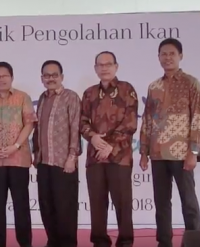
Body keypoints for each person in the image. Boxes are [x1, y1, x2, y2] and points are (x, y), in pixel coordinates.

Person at [140, 38, 200, 247]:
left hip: (181, 153)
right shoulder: (154, 86)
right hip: (158, 153)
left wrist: (193, 151)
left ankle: (194, 240)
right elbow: (147, 121)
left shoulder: (191, 83)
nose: (167, 58)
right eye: (163, 54)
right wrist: (143, 152)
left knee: (188, 201)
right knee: (161, 202)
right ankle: (164, 242)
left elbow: (198, 118)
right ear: (158, 57)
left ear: (180, 56)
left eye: (172, 54)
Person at [80, 51, 138, 247]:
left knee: (123, 203)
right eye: (100, 65)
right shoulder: (89, 93)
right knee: (97, 203)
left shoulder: (126, 89)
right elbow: (82, 121)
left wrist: (110, 144)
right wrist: (93, 137)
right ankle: (100, 241)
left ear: (116, 67)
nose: (104, 68)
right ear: (95, 68)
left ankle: (126, 241)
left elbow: (130, 123)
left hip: (119, 157)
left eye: (108, 64)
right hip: (95, 156)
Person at [0, 62, 36, 247]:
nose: (1, 79)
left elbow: (29, 123)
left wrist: (16, 145)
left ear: (11, 77)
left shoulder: (22, 97)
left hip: (18, 158)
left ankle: (25, 242)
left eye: (5, 76)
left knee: (21, 204)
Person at [32, 60, 82, 247]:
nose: (50, 78)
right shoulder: (42, 98)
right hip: (44, 162)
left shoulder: (71, 97)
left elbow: (75, 127)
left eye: (54, 75)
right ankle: (53, 242)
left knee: (65, 209)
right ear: (42, 78)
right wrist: (36, 154)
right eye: (47, 75)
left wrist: (72, 157)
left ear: (62, 77)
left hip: (64, 163)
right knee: (46, 206)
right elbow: (38, 129)